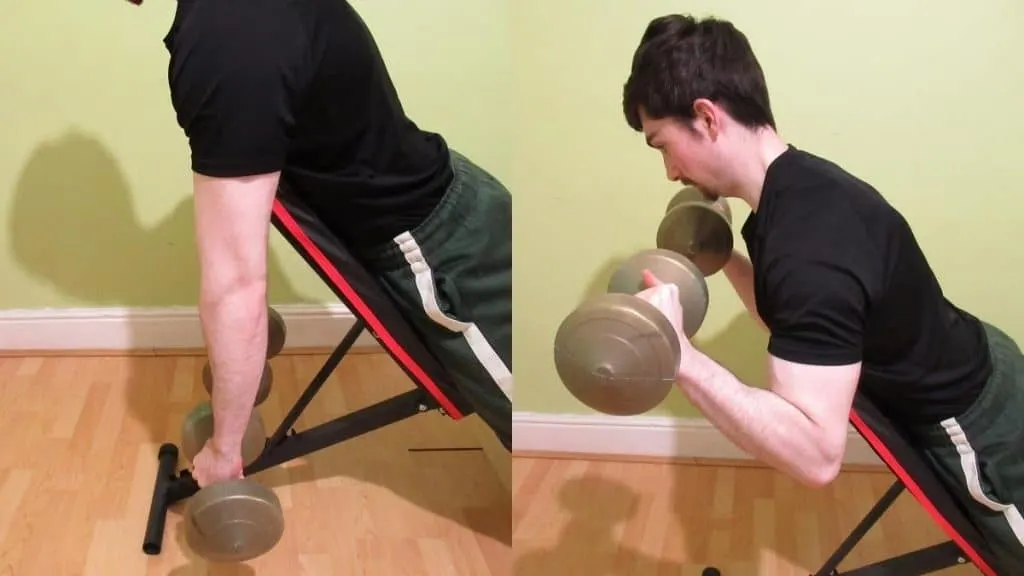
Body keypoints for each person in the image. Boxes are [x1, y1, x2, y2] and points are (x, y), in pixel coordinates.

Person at [622, 13, 1024, 572]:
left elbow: (815, 457)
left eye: (662, 145)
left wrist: (681, 358)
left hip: (982, 430)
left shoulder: (806, 248)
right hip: (980, 355)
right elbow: (802, 329)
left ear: (707, 117)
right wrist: (727, 261)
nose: (669, 172)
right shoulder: (794, 190)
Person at [140, 0, 512, 485]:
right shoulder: (229, 24)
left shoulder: (229, 37)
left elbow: (235, 286)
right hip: (447, 206)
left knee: (526, 423)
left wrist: (223, 451)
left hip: (442, 252)